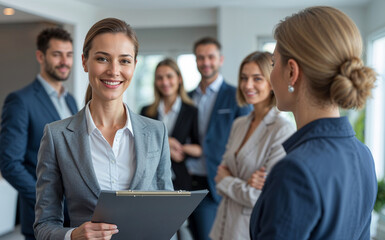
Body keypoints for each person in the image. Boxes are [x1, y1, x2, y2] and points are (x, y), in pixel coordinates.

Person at [33, 18, 173, 240]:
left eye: (124, 61)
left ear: (135, 66)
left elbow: (167, 216)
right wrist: (72, 236)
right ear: (85, 62)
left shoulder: (157, 132)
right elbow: (44, 225)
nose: (114, 70)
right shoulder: (56, 136)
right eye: (102, 59)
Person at [250, 6, 377, 239]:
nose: (271, 74)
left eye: (273, 63)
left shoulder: (295, 171)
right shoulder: (363, 155)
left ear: (291, 73)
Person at [0, 28, 78, 240]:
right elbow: (9, 164)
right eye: (56, 54)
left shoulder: (71, 101)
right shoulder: (20, 101)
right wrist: (46, 200)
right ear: (40, 56)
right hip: (41, 216)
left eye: (69, 55)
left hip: (75, 214)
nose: (64, 61)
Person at [209, 51, 294, 240]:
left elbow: (262, 197)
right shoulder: (239, 124)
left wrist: (228, 180)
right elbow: (218, 177)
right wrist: (240, 183)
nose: (248, 85)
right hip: (221, 227)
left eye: (257, 79)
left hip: (248, 230)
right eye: (244, 78)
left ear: (272, 82)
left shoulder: (282, 130)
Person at [187, 37, 253, 240]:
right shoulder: (188, 97)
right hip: (187, 181)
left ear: (220, 59)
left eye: (210, 57)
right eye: (200, 57)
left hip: (218, 181)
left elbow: (247, 141)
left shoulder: (236, 96)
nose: (205, 62)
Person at [141, 58, 201, 191]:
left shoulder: (191, 111)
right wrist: (167, 144)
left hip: (180, 180)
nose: (165, 82)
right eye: (160, 78)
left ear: (179, 79)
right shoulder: (146, 111)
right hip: (150, 180)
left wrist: (180, 149)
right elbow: (140, 144)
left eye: (169, 76)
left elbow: (199, 149)